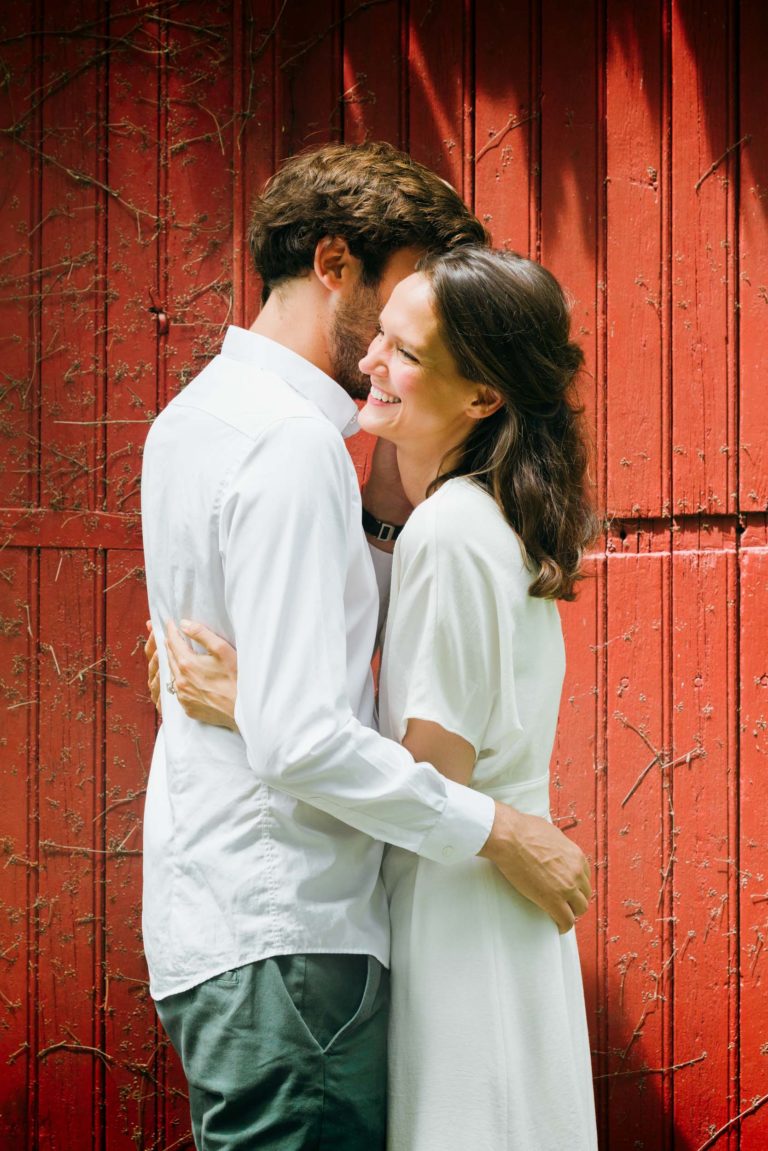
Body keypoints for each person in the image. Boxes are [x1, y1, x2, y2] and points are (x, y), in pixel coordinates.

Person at [141, 142, 592, 1151]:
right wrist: (504, 830)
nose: (386, 353)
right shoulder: (293, 444)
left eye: (415, 341)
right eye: (398, 301)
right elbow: (302, 736)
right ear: (337, 265)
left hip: (213, 913)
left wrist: (381, 517)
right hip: (293, 921)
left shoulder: (193, 419)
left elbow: (286, 679)